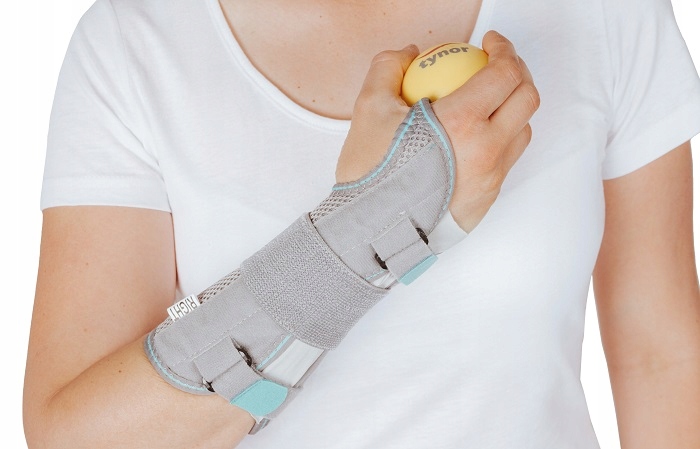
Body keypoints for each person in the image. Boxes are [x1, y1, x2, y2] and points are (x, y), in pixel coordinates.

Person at [22, 0, 700, 447]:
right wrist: (375, 219)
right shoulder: (136, 40)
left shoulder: (604, 12)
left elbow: (660, 356)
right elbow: (75, 437)